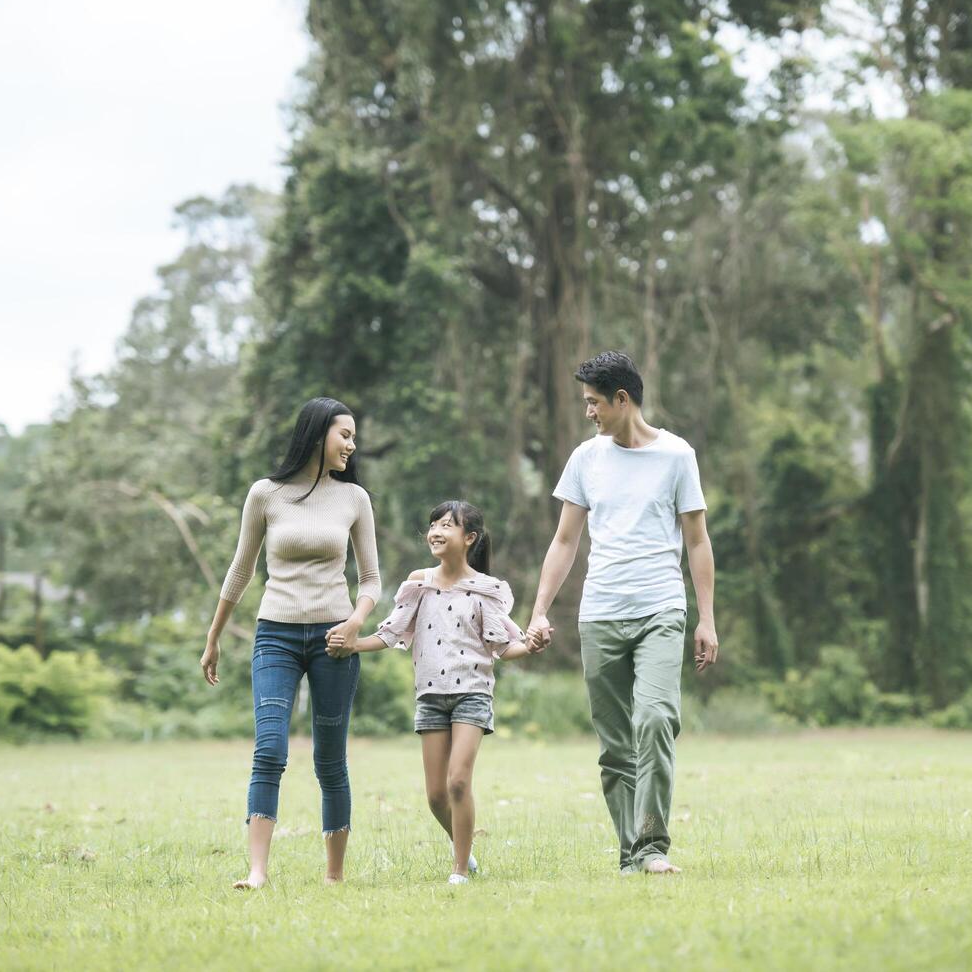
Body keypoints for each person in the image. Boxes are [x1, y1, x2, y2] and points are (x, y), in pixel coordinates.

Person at [524, 351, 718, 875]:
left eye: (593, 402)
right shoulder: (586, 459)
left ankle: (654, 846)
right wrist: (539, 611)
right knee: (615, 746)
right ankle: (631, 852)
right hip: (601, 613)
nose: (588, 411)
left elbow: (697, 541)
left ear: (622, 400)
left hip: (660, 606)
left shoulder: (678, 456)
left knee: (655, 719)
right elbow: (565, 540)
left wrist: (707, 619)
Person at [200, 396, 382, 890]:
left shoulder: (354, 498)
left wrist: (355, 622)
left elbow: (370, 579)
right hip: (275, 634)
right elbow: (241, 568)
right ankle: (257, 871)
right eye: (344, 434)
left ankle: (335, 875)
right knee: (270, 748)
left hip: (335, 640)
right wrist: (214, 636)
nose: (352, 444)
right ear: (318, 432)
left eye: (353, 437)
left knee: (329, 757)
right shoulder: (266, 493)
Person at [328, 500, 532, 884]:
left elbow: (505, 648)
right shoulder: (419, 583)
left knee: (458, 781)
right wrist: (352, 644)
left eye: (447, 526)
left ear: (469, 538)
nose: (436, 532)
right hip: (430, 696)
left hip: (473, 692)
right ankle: (465, 848)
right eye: (433, 524)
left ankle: (459, 870)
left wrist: (533, 646)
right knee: (436, 795)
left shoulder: (486, 590)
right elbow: (390, 633)